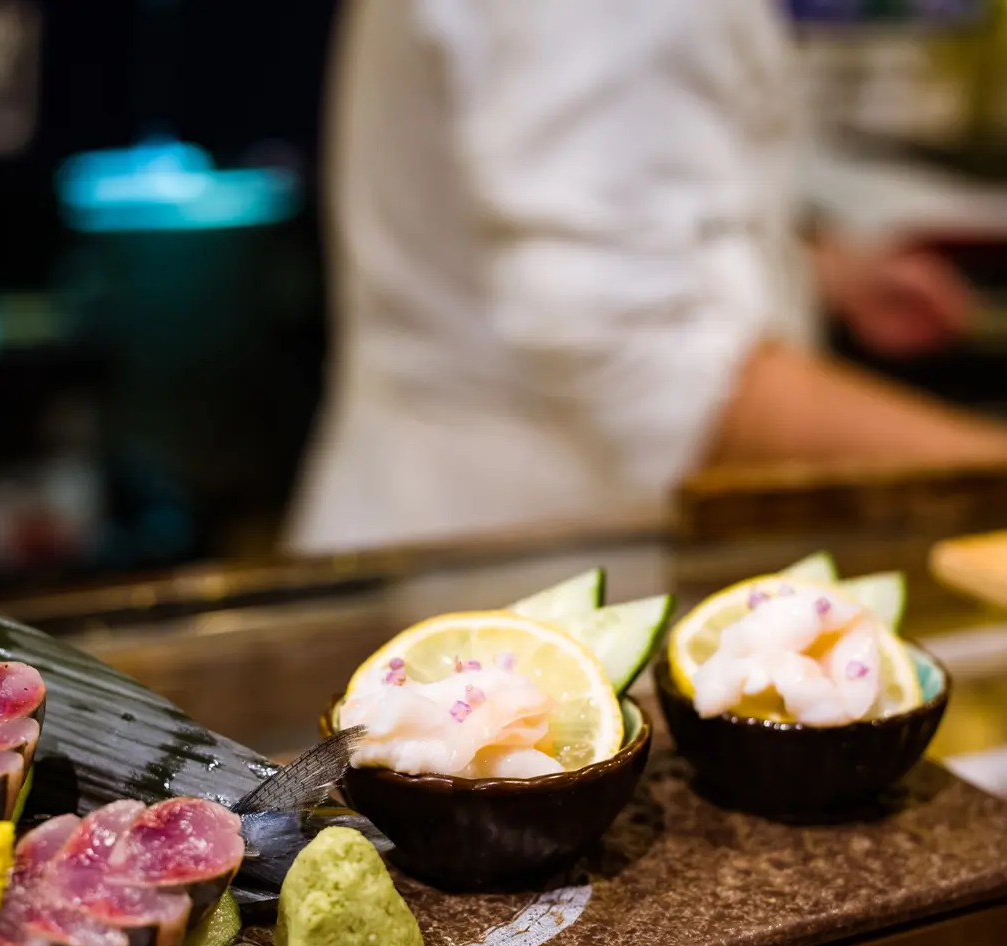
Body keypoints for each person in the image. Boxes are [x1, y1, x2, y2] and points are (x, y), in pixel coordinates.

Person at [284, 0, 1007, 556]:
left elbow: (589, 206)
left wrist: (807, 270)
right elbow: (646, 366)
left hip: (508, 524)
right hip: (515, 554)